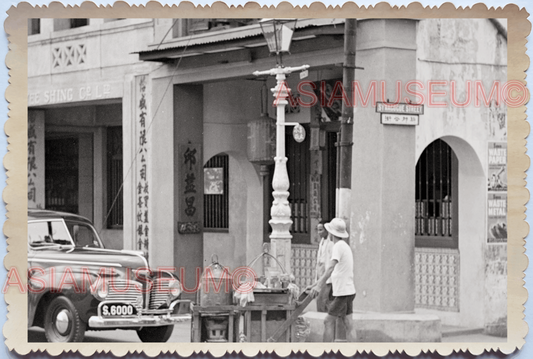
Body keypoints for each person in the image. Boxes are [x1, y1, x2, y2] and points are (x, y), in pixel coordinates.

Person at [309, 218, 356, 342]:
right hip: (349, 290)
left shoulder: (337, 246)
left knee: (328, 321)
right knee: (348, 323)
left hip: (342, 293)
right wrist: (317, 283)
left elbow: (330, 268)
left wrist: (319, 286)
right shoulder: (344, 246)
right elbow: (332, 271)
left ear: (331, 232)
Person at [315, 220, 333, 312]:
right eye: (318, 230)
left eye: (321, 230)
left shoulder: (331, 243)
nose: (319, 232)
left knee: (323, 299)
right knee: (319, 299)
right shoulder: (321, 242)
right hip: (320, 272)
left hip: (327, 275)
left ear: (326, 230)